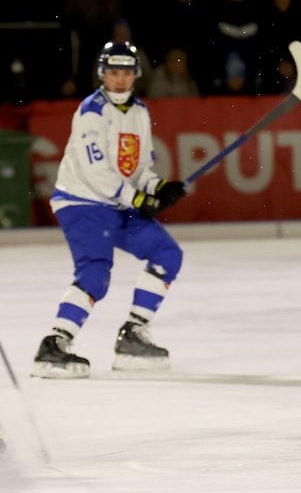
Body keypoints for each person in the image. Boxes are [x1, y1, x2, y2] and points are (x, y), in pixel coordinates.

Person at [32, 42, 188, 379]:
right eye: (113, 73)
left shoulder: (140, 112)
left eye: (126, 73)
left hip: (117, 203)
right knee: (96, 272)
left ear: (136, 75)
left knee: (167, 253)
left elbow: (139, 167)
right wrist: (139, 199)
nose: (119, 80)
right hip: (82, 201)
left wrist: (158, 187)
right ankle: (55, 343)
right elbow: (96, 171)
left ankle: (132, 334)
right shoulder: (92, 111)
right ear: (103, 74)